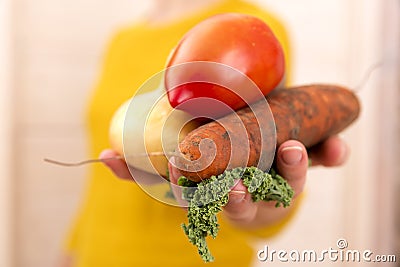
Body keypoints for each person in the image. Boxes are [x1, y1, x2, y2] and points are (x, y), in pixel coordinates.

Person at [61, 0, 349, 266]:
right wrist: (70, 253)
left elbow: (263, 184)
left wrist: (266, 204)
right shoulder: (122, 40)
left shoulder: (252, 26)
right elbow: (99, 188)